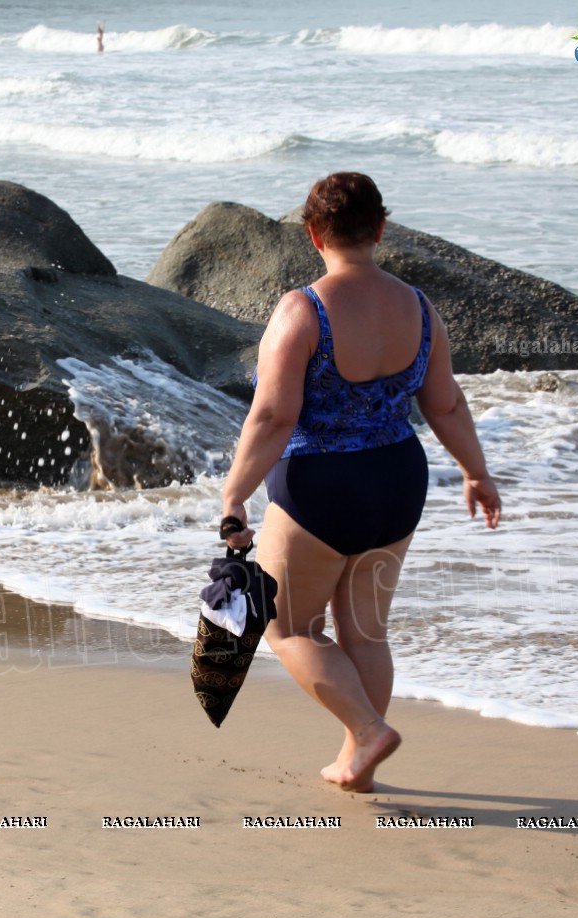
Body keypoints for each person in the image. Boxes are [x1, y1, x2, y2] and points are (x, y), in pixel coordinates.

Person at [220, 171, 502, 792]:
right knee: (365, 630)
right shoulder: (418, 307)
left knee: (287, 626)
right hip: (398, 481)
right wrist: (476, 473)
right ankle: (358, 759)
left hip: (321, 486)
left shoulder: (304, 309)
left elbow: (273, 415)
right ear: (380, 228)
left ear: (312, 233)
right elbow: (446, 404)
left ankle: (369, 733)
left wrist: (235, 492)